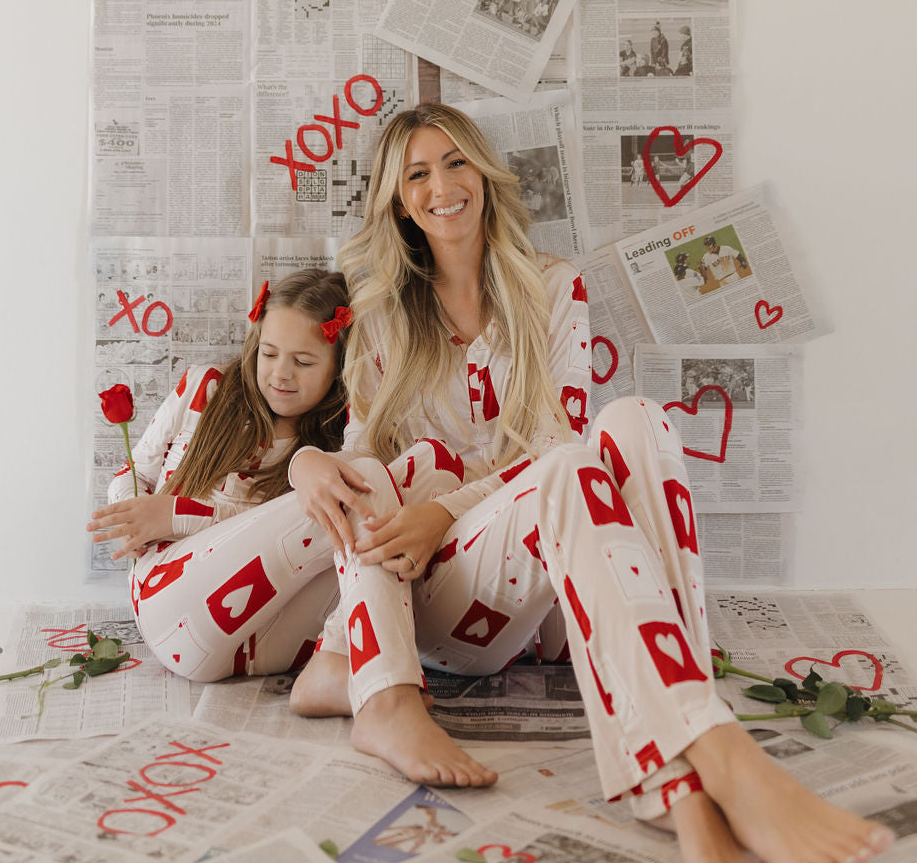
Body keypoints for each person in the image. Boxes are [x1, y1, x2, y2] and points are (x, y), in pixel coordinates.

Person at [289, 105, 894, 863]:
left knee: (634, 419)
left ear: (482, 172)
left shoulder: (553, 288)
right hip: (439, 597)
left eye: (455, 162)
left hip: (541, 589)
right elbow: (359, 463)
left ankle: (689, 792)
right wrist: (301, 461)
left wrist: (447, 507)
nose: (441, 185)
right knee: (560, 465)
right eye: (417, 173)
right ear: (398, 200)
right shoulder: (379, 314)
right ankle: (718, 755)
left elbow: (553, 446)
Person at [87, 269, 467, 691]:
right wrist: (133, 513)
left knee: (429, 467)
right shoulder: (205, 387)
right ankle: (381, 680)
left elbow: (270, 530)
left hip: (268, 639)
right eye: (269, 354)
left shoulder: (335, 443)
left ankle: (343, 668)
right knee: (360, 484)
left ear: (338, 368)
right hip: (172, 607)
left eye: (303, 362)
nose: (280, 374)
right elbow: (135, 469)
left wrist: (178, 515)